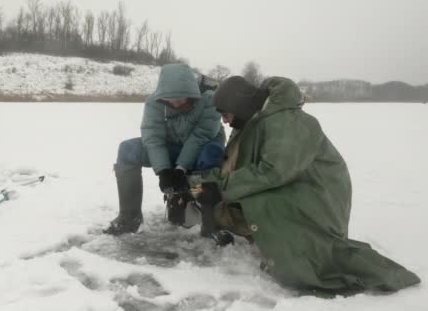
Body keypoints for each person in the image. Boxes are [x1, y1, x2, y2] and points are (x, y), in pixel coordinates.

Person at [196, 75, 420, 294]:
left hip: (319, 197)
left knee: (265, 208)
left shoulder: (288, 121)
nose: (224, 121)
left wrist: (221, 189)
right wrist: (203, 185)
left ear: (239, 105)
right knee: (243, 205)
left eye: (225, 113)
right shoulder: (253, 123)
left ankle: (374, 272)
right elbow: (235, 168)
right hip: (294, 188)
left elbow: (273, 171)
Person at [103, 63, 226, 236]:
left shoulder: (210, 99)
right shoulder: (154, 103)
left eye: (181, 98)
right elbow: (153, 138)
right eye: (171, 99)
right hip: (173, 145)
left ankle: (211, 222)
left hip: (203, 147)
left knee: (207, 162)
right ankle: (130, 218)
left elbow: (201, 136)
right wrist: (164, 171)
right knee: (127, 149)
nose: (175, 103)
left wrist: (181, 168)